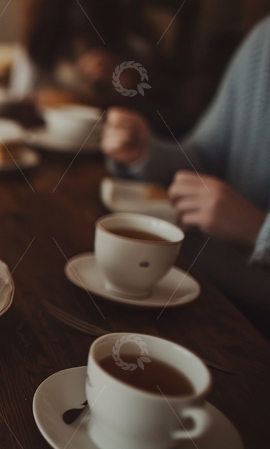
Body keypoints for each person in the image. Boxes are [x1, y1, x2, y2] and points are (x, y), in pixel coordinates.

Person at [102, 16, 270, 336]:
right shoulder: (263, 41)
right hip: (196, 283)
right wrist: (145, 152)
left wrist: (259, 230)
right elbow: (205, 155)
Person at [9, 0, 151, 107]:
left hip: (105, 116)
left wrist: (124, 72)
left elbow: (144, 71)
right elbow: (25, 84)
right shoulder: (41, 14)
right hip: (45, 118)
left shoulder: (123, 18)